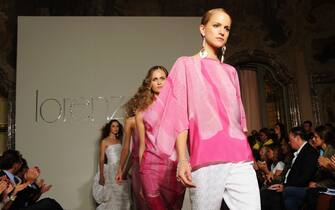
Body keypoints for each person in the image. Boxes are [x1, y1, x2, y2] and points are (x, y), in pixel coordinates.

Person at [144, 8, 260, 209]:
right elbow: (178, 117)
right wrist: (182, 160)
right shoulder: (186, 65)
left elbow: (239, 121)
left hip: (240, 157)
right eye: (216, 25)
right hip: (205, 159)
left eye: (227, 28)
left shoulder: (231, 72)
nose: (222, 31)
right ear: (202, 28)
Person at [136, 65, 185, 210]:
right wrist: (141, 180)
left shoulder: (177, 106)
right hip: (149, 167)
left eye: (162, 78)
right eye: (154, 79)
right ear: (149, 84)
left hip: (173, 166)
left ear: (168, 80)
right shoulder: (141, 112)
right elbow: (142, 146)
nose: (159, 82)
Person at [115, 76, 151, 210]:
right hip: (138, 165)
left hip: (154, 162)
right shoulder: (131, 121)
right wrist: (121, 169)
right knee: (141, 200)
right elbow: (128, 149)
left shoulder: (152, 117)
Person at [92, 119, 130, 210]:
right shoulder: (104, 141)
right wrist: (101, 175)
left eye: (117, 126)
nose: (115, 128)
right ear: (109, 128)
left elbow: (123, 155)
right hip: (110, 170)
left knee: (122, 195)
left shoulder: (119, 141)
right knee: (113, 195)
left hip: (119, 169)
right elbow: (101, 159)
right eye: (113, 126)